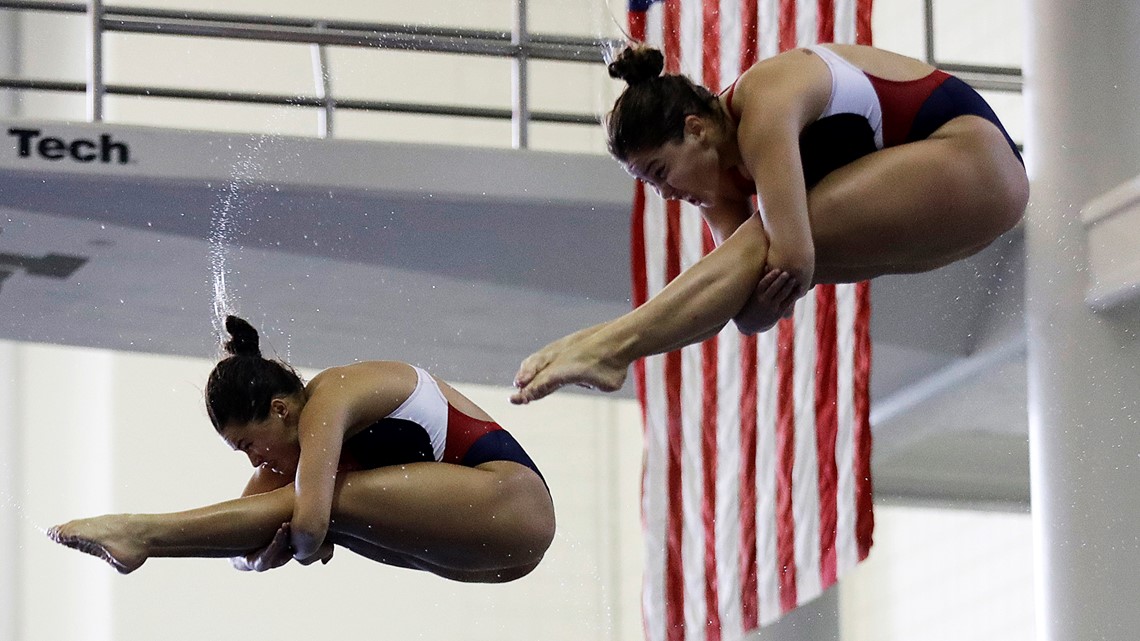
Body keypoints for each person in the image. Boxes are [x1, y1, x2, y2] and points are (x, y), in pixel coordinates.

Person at [510, 42, 1028, 404]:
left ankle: (610, 345)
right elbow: (743, 315)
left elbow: (793, 261)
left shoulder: (763, 105)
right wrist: (759, 297)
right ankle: (611, 345)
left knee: (761, 239)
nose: (667, 194)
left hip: (977, 163)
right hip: (946, 217)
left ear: (696, 130)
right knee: (753, 248)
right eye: (652, 186)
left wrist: (766, 288)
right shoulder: (717, 186)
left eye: (662, 173)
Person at [49, 315, 555, 583]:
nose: (254, 461)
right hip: (488, 563)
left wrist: (303, 544)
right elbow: (242, 543)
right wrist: (261, 558)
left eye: (248, 444)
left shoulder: (331, 396)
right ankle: (142, 541)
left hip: (515, 507)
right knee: (297, 507)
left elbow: (308, 526)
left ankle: (140, 531)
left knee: (322, 505)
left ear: (280, 409)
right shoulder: (294, 458)